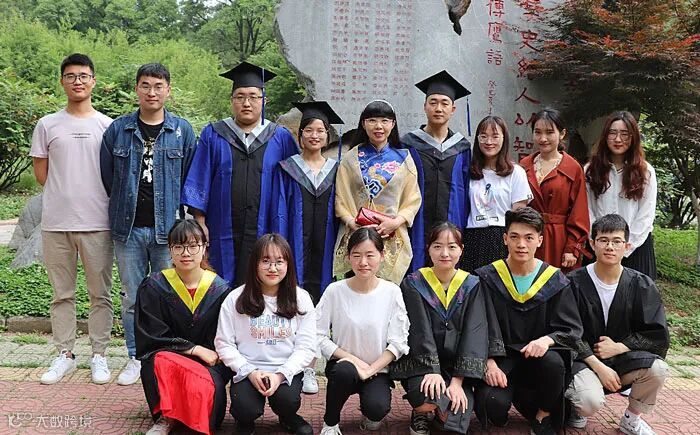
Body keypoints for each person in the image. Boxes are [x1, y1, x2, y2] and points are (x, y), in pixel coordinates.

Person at [100, 63, 197, 386]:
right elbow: (108, 178)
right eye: (145, 85)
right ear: (136, 89)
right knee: (132, 296)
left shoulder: (182, 130)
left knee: (169, 295)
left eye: (158, 86)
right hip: (127, 229)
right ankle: (135, 356)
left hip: (168, 231)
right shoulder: (118, 130)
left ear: (168, 89)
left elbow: (188, 179)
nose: (151, 92)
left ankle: (167, 355)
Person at [31, 53, 115, 385]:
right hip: (57, 223)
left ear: (93, 81)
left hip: (98, 222)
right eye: (70, 76)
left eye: (83, 76)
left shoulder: (108, 126)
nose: (77, 81)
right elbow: (42, 175)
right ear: (62, 81)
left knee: (100, 294)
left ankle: (99, 355)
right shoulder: (47, 124)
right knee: (62, 294)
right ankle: (64, 354)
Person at [181, 62, 299, 285]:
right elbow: (200, 178)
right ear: (231, 100)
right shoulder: (213, 134)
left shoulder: (280, 137)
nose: (246, 103)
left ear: (264, 100)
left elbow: (294, 187)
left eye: (253, 97)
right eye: (240, 97)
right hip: (220, 227)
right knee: (220, 282)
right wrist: (200, 222)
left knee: (261, 282)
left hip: (267, 226)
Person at [474, 207, 584, 435]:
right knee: (491, 405)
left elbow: (571, 329)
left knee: (554, 363)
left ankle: (543, 415)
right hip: (502, 357)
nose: (521, 244)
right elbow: (477, 325)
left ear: (540, 241)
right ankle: (514, 400)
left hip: (540, 360)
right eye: (514, 237)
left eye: (529, 238)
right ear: (505, 239)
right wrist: (488, 362)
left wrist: (546, 340)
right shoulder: (487, 277)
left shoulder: (554, 280)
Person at [564, 214, 669, 435]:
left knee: (658, 369)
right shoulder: (573, 282)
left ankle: (631, 418)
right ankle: (577, 408)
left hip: (622, 360)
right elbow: (566, 331)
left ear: (627, 246)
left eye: (617, 241)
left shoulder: (641, 284)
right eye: (603, 240)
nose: (610, 247)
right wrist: (598, 366)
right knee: (588, 401)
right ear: (592, 244)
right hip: (582, 361)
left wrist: (620, 347)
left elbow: (656, 334)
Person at [270, 101, 343, 395]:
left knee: (318, 308)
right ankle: (290, 364)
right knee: (292, 303)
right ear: (299, 135)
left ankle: (310, 366)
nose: (314, 135)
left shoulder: (336, 170)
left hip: (325, 249)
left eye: (320, 131)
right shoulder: (287, 169)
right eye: (309, 130)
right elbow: (279, 210)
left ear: (327, 136)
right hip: (294, 247)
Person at [135, 219, 232, 435]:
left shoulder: (220, 290)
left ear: (204, 248)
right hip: (169, 356)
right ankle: (167, 417)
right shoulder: (155, 286)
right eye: (178, 246)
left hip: (208, 363)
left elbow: (226, 339)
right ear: (170, 250)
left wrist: (208, 354)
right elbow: (151, 336)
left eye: (193, 246)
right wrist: (194, 349)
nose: (185, 253)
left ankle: (192, 415)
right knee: (158, 360)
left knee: (206, 394)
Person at [392, 222, 488, 435]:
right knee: (426, 399)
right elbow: (419, 331)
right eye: (437, 246)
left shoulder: (472, 285)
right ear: (428, 249)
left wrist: (457, 382)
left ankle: (439, 410)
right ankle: (421, 412)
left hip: (457, 368)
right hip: (423, 366)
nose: (445, 253)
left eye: (452, 247)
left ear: (461, 250)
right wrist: (432, 370)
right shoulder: (414, 283)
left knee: (452, 417)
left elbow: (475, 332)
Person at [215, 234, 316, 435]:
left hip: (285, 370)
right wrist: (250, 372)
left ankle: (288, 417)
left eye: (279, 262)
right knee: (245, 408)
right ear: (255, 264)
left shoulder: (301, 298)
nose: (273, 268)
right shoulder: (235, 298)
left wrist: (280, 375)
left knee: (287, 401)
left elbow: (306, 346)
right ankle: (245, 422)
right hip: (248, 369)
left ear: (288, 265)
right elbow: (223, 343)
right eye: (266, 261)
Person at [317, 228, 410, 434]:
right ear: (348, 257)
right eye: (357, 255)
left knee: (377, 408)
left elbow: (398, 342)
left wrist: (370, 370)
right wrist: (353, 361)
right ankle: (330, 423)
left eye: (370, 255)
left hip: (377, 370)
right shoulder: (335, 291)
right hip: (344, 366)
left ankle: (369, 411)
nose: (363, 262)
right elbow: (317, 334)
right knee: (343, 372)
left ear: (382, 255)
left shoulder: (392, 292)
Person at [333, 100, 421, 284]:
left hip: (391, 236)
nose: (378, 126)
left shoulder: (404, 159)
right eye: (372, 120)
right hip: (358, 235)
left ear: (393, 124)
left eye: (385, 121)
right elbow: (341, 198)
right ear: (363, 123)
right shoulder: (350, 158)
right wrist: (352, 223)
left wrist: (395, 222)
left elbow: (412, 199)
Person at [400, 71, 472, 270]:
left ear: (453, 109)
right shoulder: (408, 144)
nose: (438, 108)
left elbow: (466, 188)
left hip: (453, 220)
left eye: (444, 103)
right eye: (433, 102)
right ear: (425, 106)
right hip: (416, 222)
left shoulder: (462, 147)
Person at [585, 111, 658, 279]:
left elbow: (646, 214)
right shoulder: (591, 170)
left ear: (633, 138)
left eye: (625, 134)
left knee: (636, 293)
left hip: (635, 248)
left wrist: (626, 246)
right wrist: (598, 241)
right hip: (599, 247)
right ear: (605, 136)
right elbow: (587, 209)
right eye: (613, 133)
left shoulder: (645, 172)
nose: (618, 139)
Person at [520, 108, 589, 273]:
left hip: (559, 239)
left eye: (549, 132)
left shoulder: (572, 168)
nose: (543, 138)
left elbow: (579, 212)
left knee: (557, 283)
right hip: (528, 237)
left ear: (562, 134)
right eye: (538, 132)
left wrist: (572, 247)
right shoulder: (524, 165)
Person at [463, 116, 532, 272]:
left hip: (502, 238)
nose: (489, 142)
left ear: (504, 139)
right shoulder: (469, 171)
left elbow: (519, 216)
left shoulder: (516, 173)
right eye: (483, 136)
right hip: (473, 238)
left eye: (495, 136)